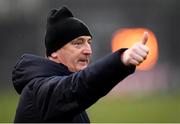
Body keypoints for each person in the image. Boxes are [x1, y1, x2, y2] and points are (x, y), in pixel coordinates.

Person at [12, 6, 149, 123]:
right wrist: (120, 60)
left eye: (89, 42)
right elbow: (77, 87)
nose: (88, 51)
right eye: (78, 43)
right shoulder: (38, 90)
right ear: (54, 52)